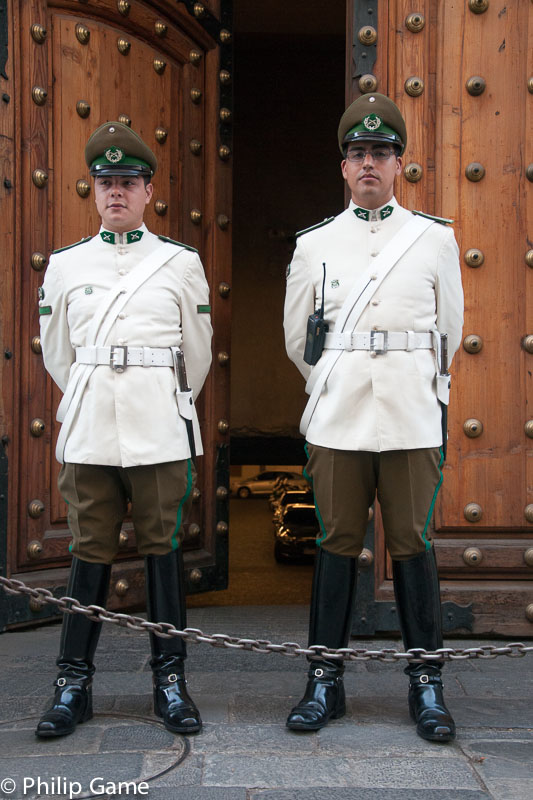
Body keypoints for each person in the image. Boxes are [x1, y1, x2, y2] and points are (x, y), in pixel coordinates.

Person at [283, 93, 463, 741]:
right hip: (338, 417)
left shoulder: (433, 239)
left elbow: (448, 332)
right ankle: (322, 683)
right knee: (334, 542)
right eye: (357, 153)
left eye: (380, 153)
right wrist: (333, 385)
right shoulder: (314, 245)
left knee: (411, 542)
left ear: (398, 164)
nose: (368, 163)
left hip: (411, 413)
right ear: (342, 166)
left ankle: (426, 686)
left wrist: (426, 392)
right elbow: (296, 340)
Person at [36, 121, 212, 738]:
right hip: (90, 428)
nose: (116, 192)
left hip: (158, 424)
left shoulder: (180, 263)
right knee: (89, 551)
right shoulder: (65, 265)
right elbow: (58, 353)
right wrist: (97, 391)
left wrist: (161, 399)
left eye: (128, 182)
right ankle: (72, 684)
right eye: (106, 181)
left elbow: (197, 350)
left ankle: (171, 680)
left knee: (163, 548)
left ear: (147, 192)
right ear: (93, 189)